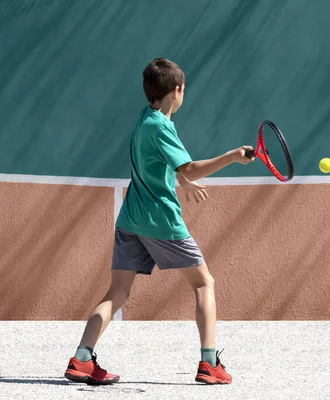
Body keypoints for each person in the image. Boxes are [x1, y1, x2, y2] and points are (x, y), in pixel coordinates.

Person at [64, 58, 254, 385]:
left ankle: (81, 359)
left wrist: (181, 181)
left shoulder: (145, 118)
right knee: (203, 283)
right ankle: (209, 364)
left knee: (116, 294)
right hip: (161, 221)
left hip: (130, 219)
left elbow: (159, 163)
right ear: (176, 91)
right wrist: (232, 156)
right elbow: (189, 167)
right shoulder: (163, 127)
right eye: (183, 90)